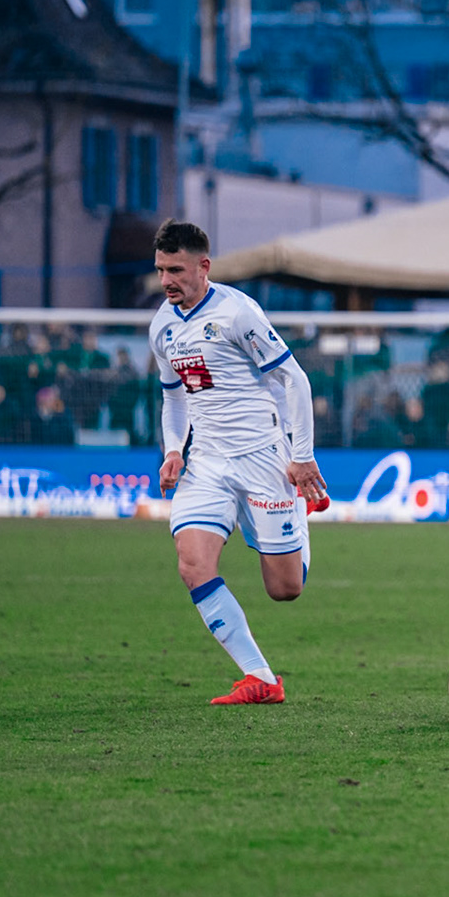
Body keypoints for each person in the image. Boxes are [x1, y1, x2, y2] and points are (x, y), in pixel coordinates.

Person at [150, 220, 326, 707]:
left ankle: (296, 513)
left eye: (177, 270)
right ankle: (261, 678)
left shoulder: (237, 313)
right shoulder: (162, 325)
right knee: (192, 564)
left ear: (204, 266)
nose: (168, 281)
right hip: (206, 462)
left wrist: (302, 457)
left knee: (284, 590)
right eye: (162, 270)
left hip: (263, 459)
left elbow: (296, 380)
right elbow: (174, 398)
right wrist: (173, 450)